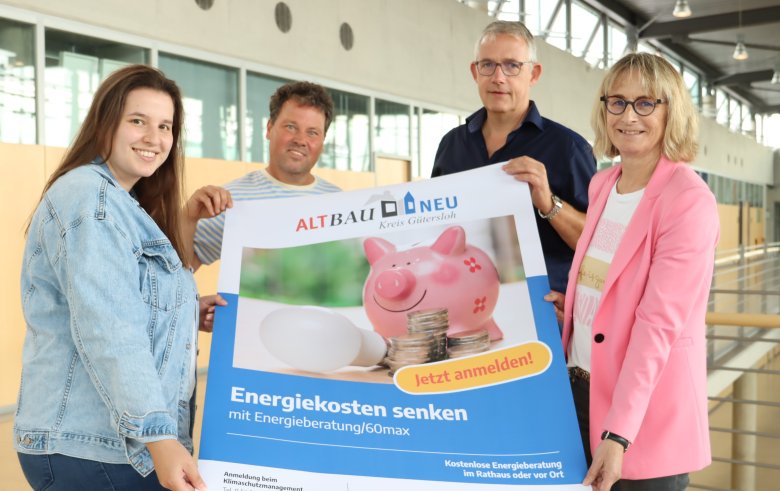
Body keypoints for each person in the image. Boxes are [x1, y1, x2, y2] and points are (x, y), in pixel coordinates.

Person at [15, 65, 213, 491]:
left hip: (104, 445)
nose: (153, 138)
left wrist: (186, 311)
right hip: (96, 447)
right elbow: (109, 328)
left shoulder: (122, 202)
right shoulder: (93, 199)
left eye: (165, 126)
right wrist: (160, 438)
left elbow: (118, 301)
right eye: (137, 121)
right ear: (105, 123)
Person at [550, 52, 718, 490]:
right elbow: (608, 285)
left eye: (646, 103)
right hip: (580, 393)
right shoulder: (603, 185)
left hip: (641, 418)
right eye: (617, 102)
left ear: (671, 111)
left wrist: (618, 433)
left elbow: (658, 323)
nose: (628, 116)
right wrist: (575, 312)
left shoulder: (687, 199)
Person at [432, 20, 596, 294]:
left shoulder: (568, 149)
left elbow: (598, 246)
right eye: (488, 65)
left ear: (534, 74)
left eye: (512, 65)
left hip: (544, 313)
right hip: (466, 301)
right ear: (475, 72)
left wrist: (548, 203)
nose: (498, 77)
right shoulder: (452, 145)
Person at [188, 81, 340, 271]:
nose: (301, 140)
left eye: (313, 132)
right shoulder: (231, 200)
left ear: (322, 141)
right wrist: (188, 217)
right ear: (269, 128)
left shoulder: (340, 203)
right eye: (291, 127)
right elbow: (182, 268)